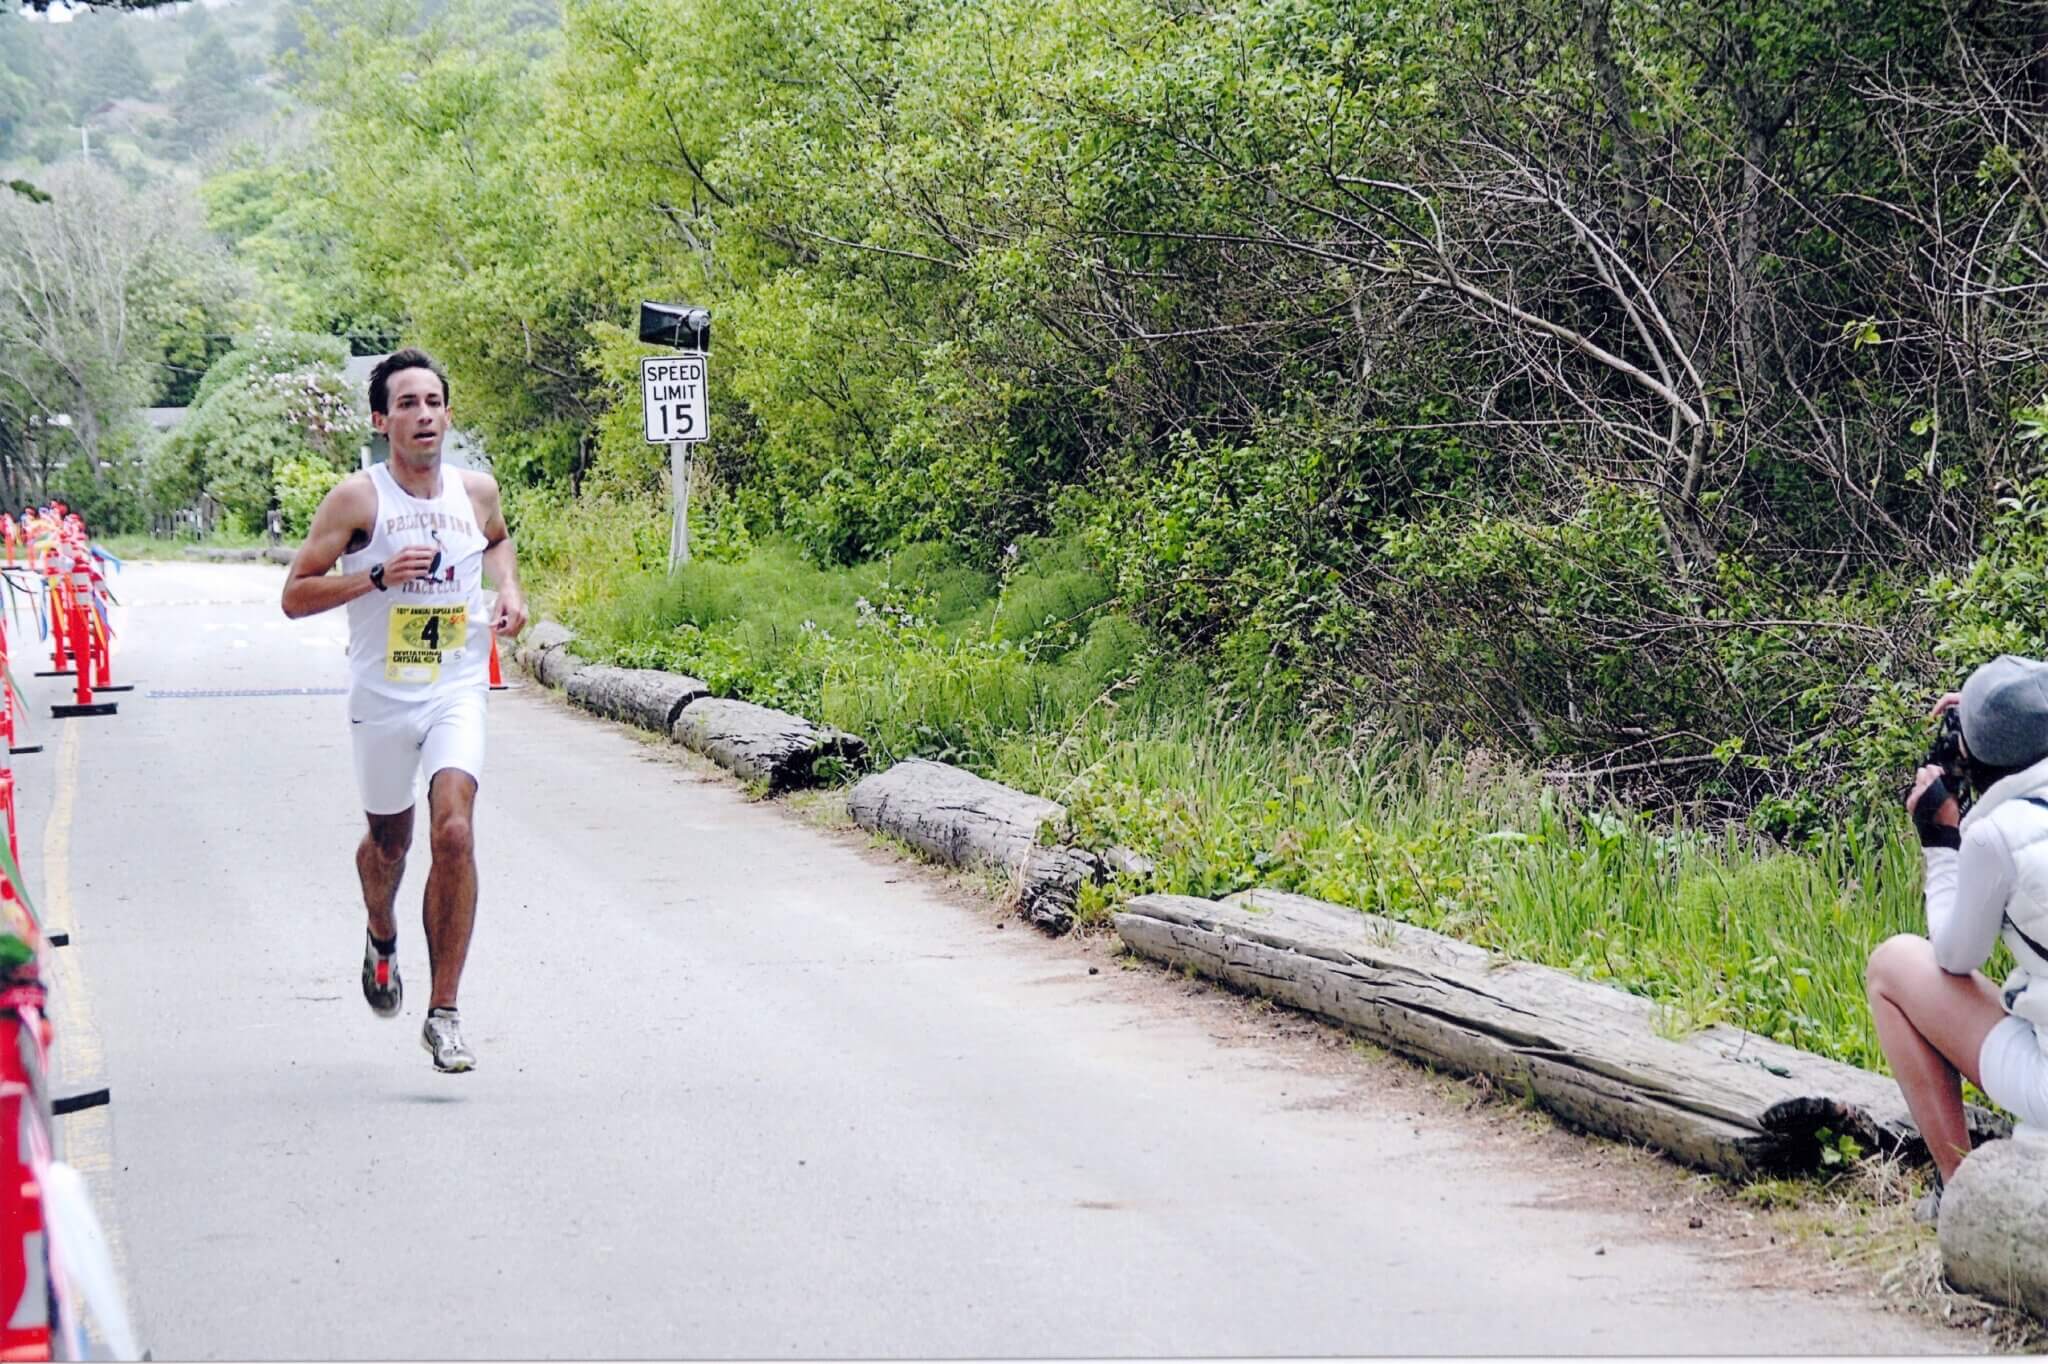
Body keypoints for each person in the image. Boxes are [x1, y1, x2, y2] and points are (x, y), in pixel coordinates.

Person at [281, 348, 527, 1073]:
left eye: (433, 402)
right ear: (381, 419)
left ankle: (444, 1012)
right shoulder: (358, 500)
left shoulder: (475, 491)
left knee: (454, 829)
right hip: (383, 696)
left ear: (448, 414)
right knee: (390, 844)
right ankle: (381, 933)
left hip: (455, 688)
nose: (423, 415)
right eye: (408, 404)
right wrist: (375, 576)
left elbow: (498, 540)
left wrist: (508, 590)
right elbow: (295, 594)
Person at [1870, 654, 2048, 1219]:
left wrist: (1941, 843)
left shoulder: (1997, 835)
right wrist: (1988, 722)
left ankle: (1960, 1187)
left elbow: (1955, 955)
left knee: (1893, 965)